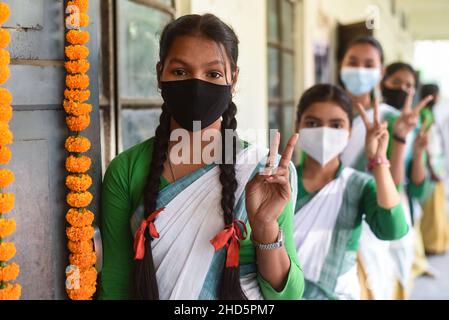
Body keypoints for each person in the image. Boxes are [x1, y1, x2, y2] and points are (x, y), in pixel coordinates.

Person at [99, 14, 304, 300]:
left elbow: (289, 295)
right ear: (160, 73)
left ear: (234, 78)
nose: (196, 85)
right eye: (181, 72)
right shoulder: (127, 169)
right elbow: (116, 283)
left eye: (213, 74)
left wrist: (265, 227)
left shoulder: (265, 172)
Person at [293, 84, 408, 300]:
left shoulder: (359, 186)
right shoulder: (280, 182)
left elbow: (393, 229)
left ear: (350, 132)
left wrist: (378, 159)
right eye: (312, 123)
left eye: (336, 125)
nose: (324, 132)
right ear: (297, 126)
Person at [339, 37, 432, 300]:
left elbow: (398, 183)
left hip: (369, 225)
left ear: (380, 72)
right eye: (353, 62)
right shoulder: (325, 110)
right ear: (341, 65)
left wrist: (401, 138)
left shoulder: (391, 119)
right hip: (325, 218)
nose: (359, 69)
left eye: (369, 64)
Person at [418, 84, 449, 255]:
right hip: (430, 168)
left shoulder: (430, 114)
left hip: (435, 165)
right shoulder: (424, 115)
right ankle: (431, 243)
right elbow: (425, 143)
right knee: (432, 208)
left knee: (437, 206)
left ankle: (437, 242)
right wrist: (432, 169)